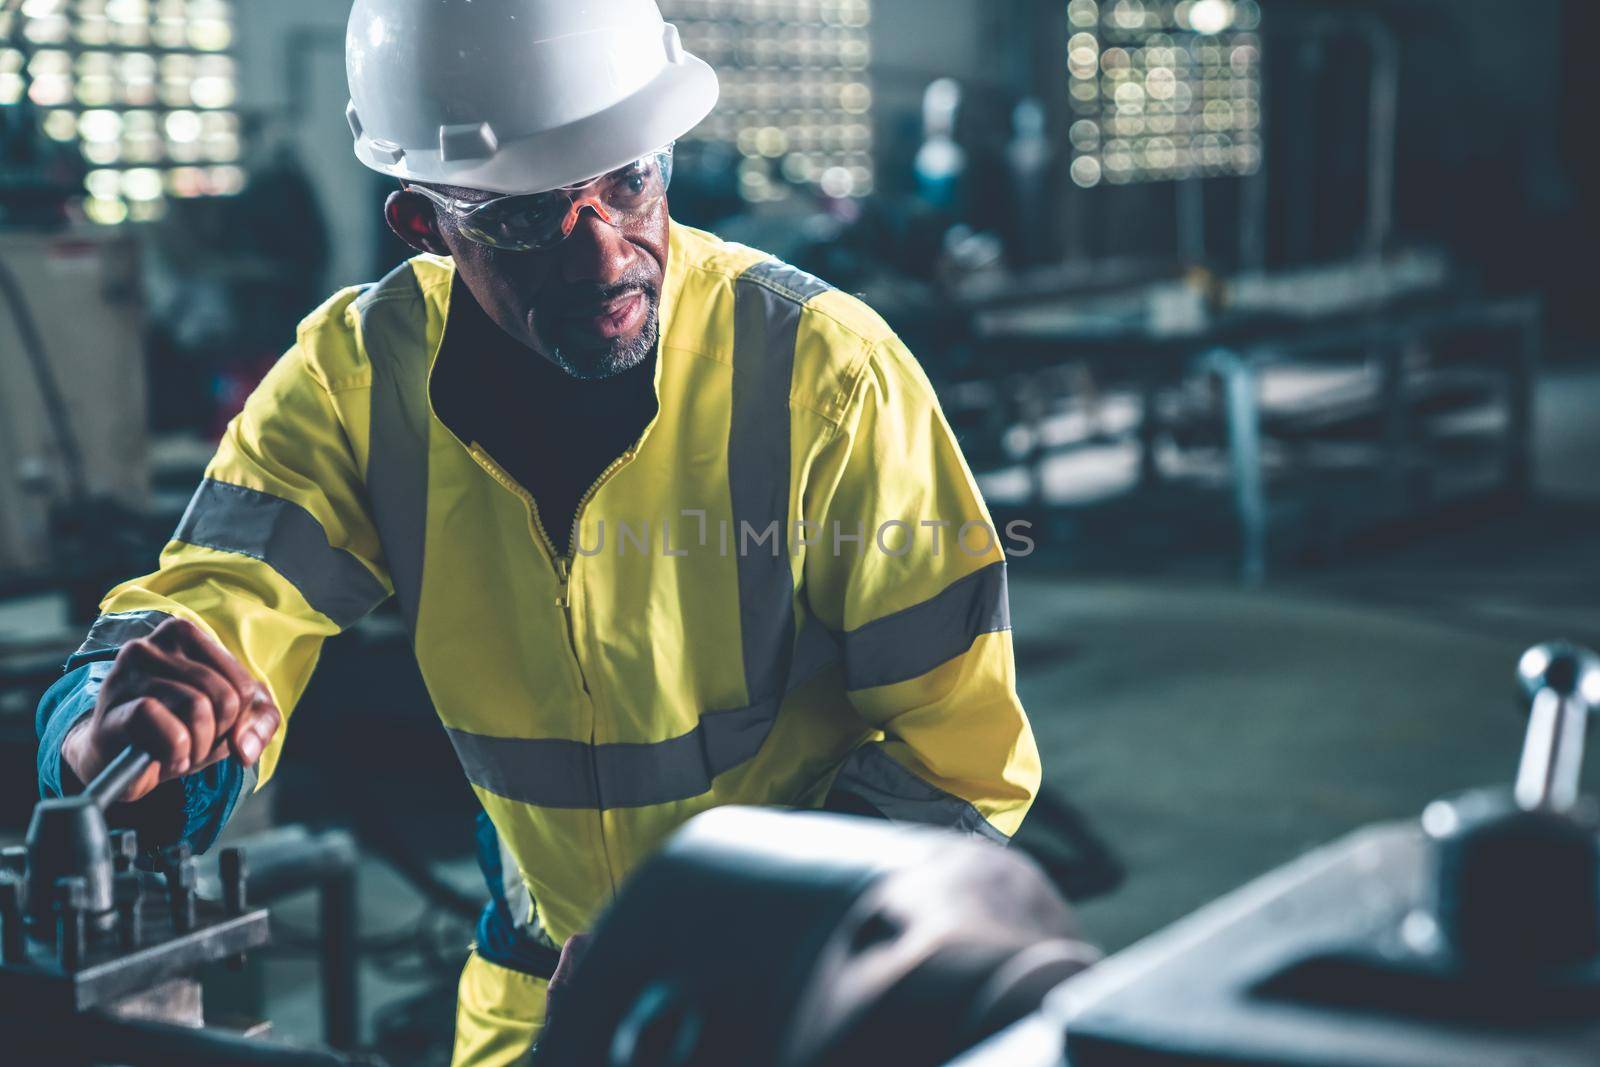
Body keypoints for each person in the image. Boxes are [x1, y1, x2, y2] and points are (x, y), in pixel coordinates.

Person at [34, 2, 1042, 1063]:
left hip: (805, 996)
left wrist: (732, 942)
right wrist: (108, 734)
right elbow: (212, 603)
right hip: (541, 1002)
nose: (604, 254)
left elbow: (959, 755)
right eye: (526, 219)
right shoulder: (356, 382)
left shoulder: (824, 375)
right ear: (427, 225)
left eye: (630, 181)